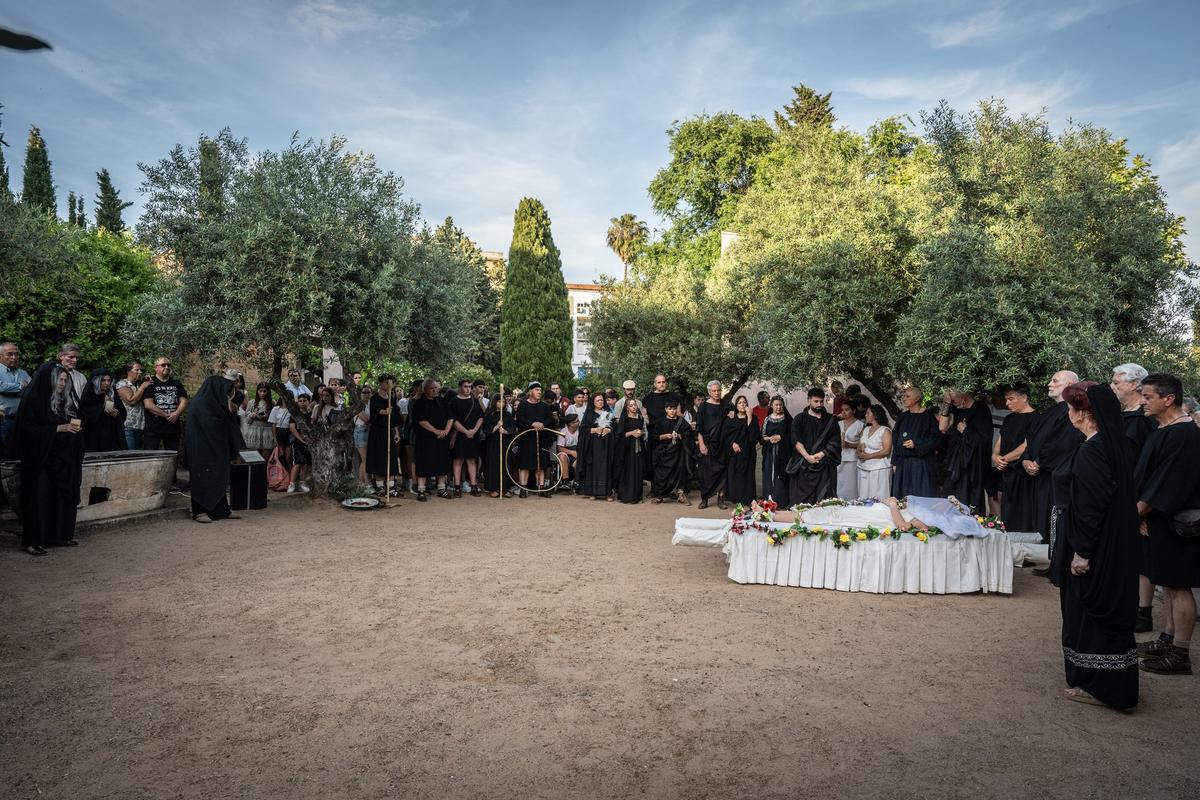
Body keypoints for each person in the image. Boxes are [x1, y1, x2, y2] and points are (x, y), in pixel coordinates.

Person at [1054, 381, 1139, 708]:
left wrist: (1082, 553)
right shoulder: (1112, 444)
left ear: (1083, 414)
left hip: (1096, 549)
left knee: (1089, 612)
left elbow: (1091, 506)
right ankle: (1109, 683)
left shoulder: (1093, 450)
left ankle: (1099, 685)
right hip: (1111, 545)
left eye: (1070, 407)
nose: (1068, 413)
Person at [1134, 373, 1200, 676]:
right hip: (1159, 520)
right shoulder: (1165, 429)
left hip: (1176, 523)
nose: (1143, 402)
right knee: (1169, 584)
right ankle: (1168, 638)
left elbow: (1169, 483)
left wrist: (1139, 512)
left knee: (1178, 584)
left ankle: (1180, 653)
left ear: (1169, 399)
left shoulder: (1183, 434)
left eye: (1148, 397)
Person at [14, 364, 85, 555]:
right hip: (40, 459)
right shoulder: (34, 399)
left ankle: (58, 535)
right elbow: (27, 431)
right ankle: (33, 541)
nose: (62, 384)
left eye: (65, 380)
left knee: (60, 497)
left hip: (62, 458)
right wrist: (57, 429)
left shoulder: (64, 400)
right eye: (59, 380)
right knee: (40, 498)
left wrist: (74, 428)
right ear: (49, 380)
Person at [1110, 363, 1159, 632]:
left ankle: (1143, 611)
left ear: (1134, 385)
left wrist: (1142, 506)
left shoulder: (1144, 420)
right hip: (1120, 496)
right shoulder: (1124, 416)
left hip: (1138, 499)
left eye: (1117, 382)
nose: (1113, 386)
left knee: (1142, 558)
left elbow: (1146, 465)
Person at [1023, 370, 1083, 576]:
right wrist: (1026, 459)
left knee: (1055, 519)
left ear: (1069, 385)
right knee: (1046, 520)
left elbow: (1063, 443)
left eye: (1055, 380)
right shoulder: (1051, 411)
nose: (1049, 384)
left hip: (1055, 475)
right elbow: (1032, 438)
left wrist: (1039, 461)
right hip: (1040, 473)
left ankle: (1059, 566)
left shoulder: (1071, 410)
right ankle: (1053, 563)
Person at [186, 374, 248, 521]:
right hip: (202, 451)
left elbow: (228, 422)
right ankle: (200, 511)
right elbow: (202, 427)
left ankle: (222, 510)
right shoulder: (199, 404)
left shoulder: (218, 404)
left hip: (218, 449)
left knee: (219, 478)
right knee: (203, 479)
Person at [993, 385, 1041, 534]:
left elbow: (1027, 445)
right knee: (1006, 511)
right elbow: (1000, 440)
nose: (1007, 403)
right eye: (1006, 399)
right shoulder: (1009, 418)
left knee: (1022, 512)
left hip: (1022, 473)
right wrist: (994, 456)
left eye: (1011, 399)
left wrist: (1004, 459)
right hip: (1006, 472)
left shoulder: (1036, 418)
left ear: (1024, 397)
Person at [940, 389, 992, 511]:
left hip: (973, 463)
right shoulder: (955, 409)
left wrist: (966, 431)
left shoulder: (981, 410)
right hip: (955, 459)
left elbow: (984, 439)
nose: (952, 403)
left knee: (969, 495)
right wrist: (946, 404)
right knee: (949, 492)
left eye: (953, 400)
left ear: (963, 396)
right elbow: (942, 427)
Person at [789, 387, 840, 504]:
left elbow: (835, 441)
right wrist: (807, 457)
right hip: (804, 466)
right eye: (816, 401)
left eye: (821, 401)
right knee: (802, 504)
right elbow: (796, 440)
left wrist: (821, 454)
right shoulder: (799, 419)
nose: (819, 404)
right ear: (809, 400)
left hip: (824, 466)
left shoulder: (831, 420)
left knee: (824, 503)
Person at [142, 356, 189, 480]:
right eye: (163, 365)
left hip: (173, 427)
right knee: (150, 455)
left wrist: (177, 413)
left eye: (168, 365)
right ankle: (150, 481)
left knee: (173, 456)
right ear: (156, 368)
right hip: (154, 427)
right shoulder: (150, 384)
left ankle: (171, 481)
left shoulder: (176, 383)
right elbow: (148, 404)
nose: (167, 367)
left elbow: (184, 400)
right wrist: (167, 415)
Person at [891, 386, 940, 498]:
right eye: (904, 396)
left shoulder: (928, 417)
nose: (904, 399)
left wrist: (916, 444)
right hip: (903, 463)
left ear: (917, 399)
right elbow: (895, 438)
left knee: (919, 494)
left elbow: (936, 438)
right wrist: (894, 461)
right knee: (903, 496)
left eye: (907, 396)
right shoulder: (903, 417)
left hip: (920, 464)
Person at [411, 378, 453, 500]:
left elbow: (451, 417)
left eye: (436, 388)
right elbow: (421, 421)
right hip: (425, 439)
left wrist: (446, 431)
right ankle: (421, 490)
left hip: (442, 438)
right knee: (423, 464)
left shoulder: (442, 401)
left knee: (442, 463)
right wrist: (436, 431)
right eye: (431, 388)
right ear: (425, 390)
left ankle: (441, 489)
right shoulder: (419, 403)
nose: (435, 390)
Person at [515, 382, 554, 498]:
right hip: (526, 439)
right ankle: (523, 488)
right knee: (525, 464)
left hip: (541, 439)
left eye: (540, 390)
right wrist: (532, 424)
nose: (539, 392)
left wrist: (542, 424)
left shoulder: (544, 406)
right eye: (537, 390)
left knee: (540, 465)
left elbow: (550, 420)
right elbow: (520, 420)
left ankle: (541, 488)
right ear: (530, 391)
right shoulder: (523, 405)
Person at [720, 395, 760, 506]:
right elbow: (725, 435)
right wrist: (732, 443)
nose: (742, 404)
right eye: (740, 402)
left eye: (744, 402)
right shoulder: (731, 418)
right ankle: (737, 499)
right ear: (736, 406)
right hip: (735, 452)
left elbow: (753, 436)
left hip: (748, 452)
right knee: (735, 475)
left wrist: (750, 417)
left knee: (748, 476)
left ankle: (748, 499)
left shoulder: (753, 418)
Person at [365, 375, 400, 496]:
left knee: (391, 458)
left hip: (389, 431)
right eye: (387, 383)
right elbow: (375, 412)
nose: (390, 385)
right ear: (381, 383)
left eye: (391, 383)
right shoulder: (374, 398)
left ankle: (391, 487)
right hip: (377, 432)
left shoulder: (392, 398)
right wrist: (384, 412)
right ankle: (380, 487)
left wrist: (396, 432)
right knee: (379, 458)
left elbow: (395, 417)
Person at [650, 399, 691, 504]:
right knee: (661, 474)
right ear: (666, 409)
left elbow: (689, 433)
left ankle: (680, 495)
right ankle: (659, 496)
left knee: (680, 473)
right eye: (670, 409)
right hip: (664, 452)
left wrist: (679, 436)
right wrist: (664, 436)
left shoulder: (681, 421)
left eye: (674, 409)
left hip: (678, 452)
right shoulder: (660, 422)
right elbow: (653, 437)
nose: (672, 411)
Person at [578, 392, 616, 501]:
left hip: (606, 445)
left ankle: (607, 493)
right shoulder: (589, 414)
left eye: (602, 400)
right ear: (593, 402)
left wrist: (609, 430)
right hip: (593, 446)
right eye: (598, 400)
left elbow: (616, 428)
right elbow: (583, 429)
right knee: (593, 467)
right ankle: (593, 492)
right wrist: (594, 429)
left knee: (606, 467)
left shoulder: (608, 413)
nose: (600, 402)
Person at [696, 381, 728, 509]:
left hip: (723, 444)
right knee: (705, 473)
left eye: (718, 390)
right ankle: (704, 499)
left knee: (723, 473)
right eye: (714, 391)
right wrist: (701, 444)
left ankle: (721, 499)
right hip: (708, 444)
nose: (717, 393)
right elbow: (699, 428)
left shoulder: (726, 405)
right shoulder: (703, 407)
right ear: (709, 392)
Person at [450, 379, 484, 497]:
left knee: (472, 460)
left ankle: (473, 485)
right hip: (459, 435)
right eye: (465, 386)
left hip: (473, 435)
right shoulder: (454, 401)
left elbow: (481, 417)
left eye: (470, 386)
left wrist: (474, 430)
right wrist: (465, 431)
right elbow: (453, 420)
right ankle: (457, 487)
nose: (468, 388)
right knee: (458, 460)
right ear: (460, 387)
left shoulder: (474, 401)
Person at [0, 341, 33, 461]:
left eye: (16, 354)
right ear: (0, 356)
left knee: (20, 453)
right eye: (10, 354)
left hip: (22, 419)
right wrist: (20, 386)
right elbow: (1, 387)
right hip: (4, 420)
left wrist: (13, 389)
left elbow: (32, 391)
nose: (14, 357)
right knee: (4, 454)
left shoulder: (23, 373)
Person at [79, 369, 125, 452]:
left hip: (111, 435)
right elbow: (85, 416)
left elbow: (122, 413)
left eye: (109, 380)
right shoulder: (89, 396)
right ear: (96, 381)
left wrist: (116, 415)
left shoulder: (112, 394)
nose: (107, 383)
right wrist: (101, 404)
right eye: (103, 380)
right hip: (93, 436)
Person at [612, 398, 647, 504]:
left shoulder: (640, 417)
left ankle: (637, 496)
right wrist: (632, 433)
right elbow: (619, 435)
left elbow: (644, 432)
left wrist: (641, 433)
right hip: (626, 449)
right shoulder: (625, 419)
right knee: (627, 471)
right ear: (627, 408)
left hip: (638, 447)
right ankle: (626, 496)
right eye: (631, 405)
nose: (634, 407)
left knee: (638, 470)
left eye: (634, 405)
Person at [482, 391, 515, 497]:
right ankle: (494, 488)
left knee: (505, 463)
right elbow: (486, 429)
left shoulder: (508, 415)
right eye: (499, 401)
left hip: (505, 443)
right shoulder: (489, 415)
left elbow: (512, 428)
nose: (502, 403)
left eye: (503, 402)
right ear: (494, 402)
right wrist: (496, 426)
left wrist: (505, 431)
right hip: (493, 443)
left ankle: (505, 488)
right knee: (493, 464)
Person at [760, 396, 791, 506]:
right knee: (768, 475)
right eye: (776, 405)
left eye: (780, 405)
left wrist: (781, 437)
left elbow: (792, 435)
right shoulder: (767, 419)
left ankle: (781, 501)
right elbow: (762, 436)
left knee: (781, 476)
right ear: (772, 406)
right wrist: (770, 439)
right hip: (769, 453)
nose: (778, 407)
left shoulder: (787, 419)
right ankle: (768, 501)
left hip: (783, 454)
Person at [857, 404, 892, 499]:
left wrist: (868, 456)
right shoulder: (866, 429)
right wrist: (860, 454)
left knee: (878, 497)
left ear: (875, 415)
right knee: (863, 496)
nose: (865, 415)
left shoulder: (885, 430)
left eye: (868, 413)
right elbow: (859, 445)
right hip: (863, 466)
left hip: (879, 468)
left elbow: (886, 451)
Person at [114, 362, 150, 451]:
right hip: (128, 426)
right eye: (137, 370)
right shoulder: (122, 384)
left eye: (141, 370)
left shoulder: (138, 384)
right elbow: (131, 401)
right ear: (128, 371)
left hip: (140, 426)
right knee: (131, 454)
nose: (140, 372)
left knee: (139, 455)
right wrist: (142, 387)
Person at [836, 400, 865, 500]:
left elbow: (863, 444)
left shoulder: (860, 425)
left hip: (852, 459)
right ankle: (839, 502)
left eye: (846, 410)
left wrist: (849, 445)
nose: (843, 412)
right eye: (842, 410)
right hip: (839, 457)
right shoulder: (838, 424)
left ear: (854, 411)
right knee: (839, 483)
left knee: (851, 485)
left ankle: (852, 503)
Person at [287, 395, 313, 494]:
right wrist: (300, 439)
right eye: (300, 401)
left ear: (309, 401)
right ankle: (292, 484)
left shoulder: (311, 414)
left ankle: (302, 483)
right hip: (297, 442)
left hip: (309, 442)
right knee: (297, 463)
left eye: (304, 400)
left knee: (306, 463)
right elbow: (292, 427)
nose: (302, 402)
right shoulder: (295, 414)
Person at [243, 383, 275, 458]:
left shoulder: (272, 403)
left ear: (268, 392)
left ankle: (265, 466)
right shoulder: (252, 402)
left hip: (267, 431)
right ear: (257, 391)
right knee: (255, 456)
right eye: (260, 391)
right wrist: (253, 415)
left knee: (266, 455)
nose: (262, 393)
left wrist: (267, 416)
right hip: (254, 431)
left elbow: (275, 419)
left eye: (264, 391)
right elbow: (247, 421)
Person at [352, 386, 373, 484]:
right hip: (361, 431)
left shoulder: (369, 405)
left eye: (369, 392)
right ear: (360, 394)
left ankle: (362, 483)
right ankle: (366, 484)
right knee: (365, 459)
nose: (366, 395)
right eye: (364, 392)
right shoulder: (358, 405)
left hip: (368, 431)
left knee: (365, 460)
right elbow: (367, 420)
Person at [557, 413, 580, 489]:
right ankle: (565, 481)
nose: (577, 423)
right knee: (562, 455)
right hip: (567, 452)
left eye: (578, 421)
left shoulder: (580, 431)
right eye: (574, 422)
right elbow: (560, 448)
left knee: (580, 459)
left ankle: (577, 481)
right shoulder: (563, 431)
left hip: (578, 451)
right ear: (569, 424)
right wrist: (572, 452)